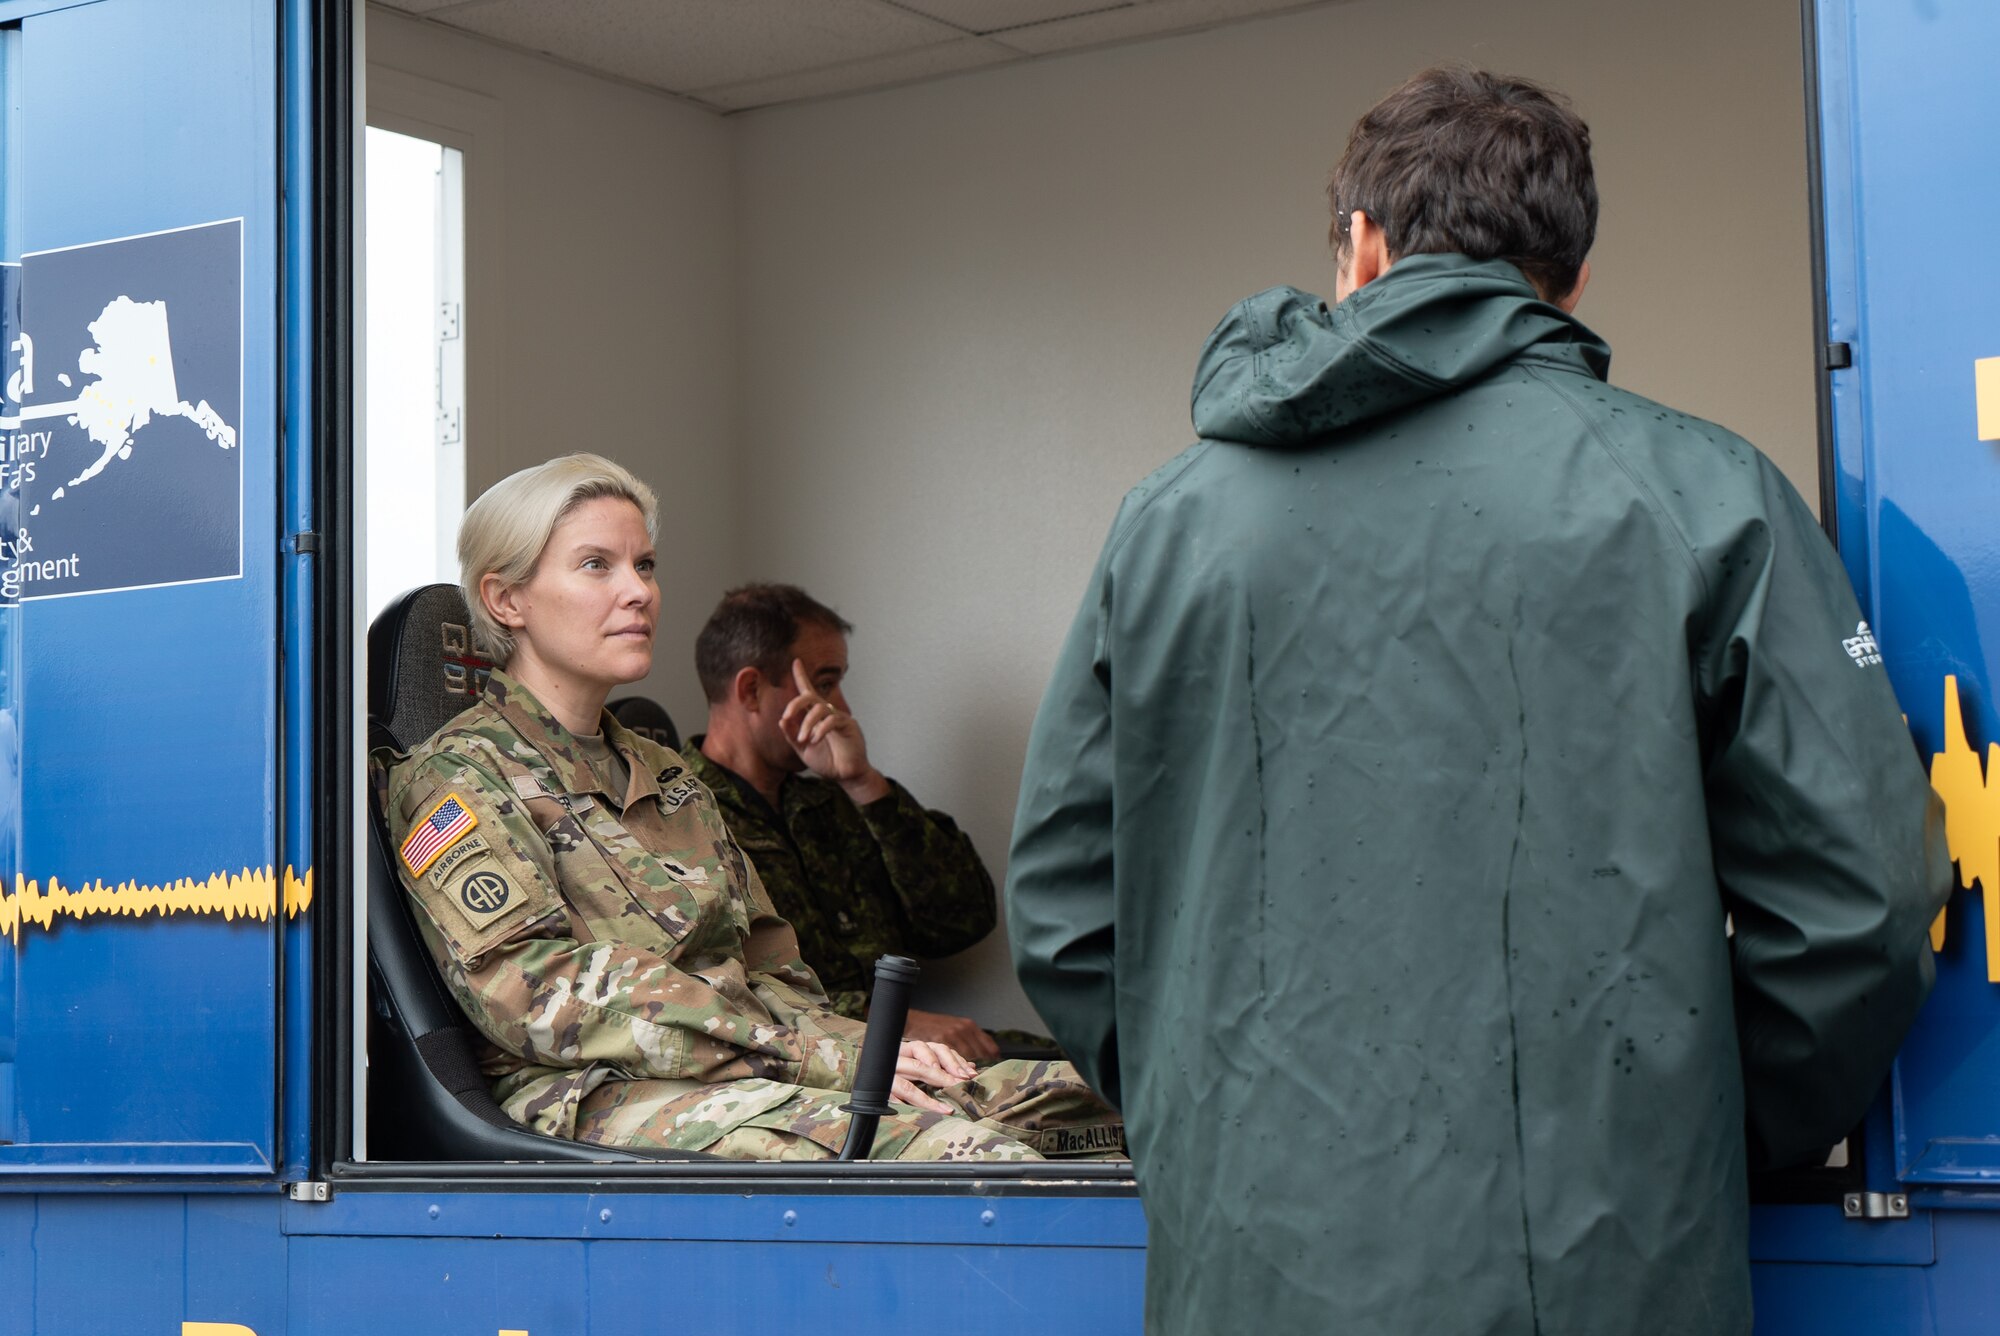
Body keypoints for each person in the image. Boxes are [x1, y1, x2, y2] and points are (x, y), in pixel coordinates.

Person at [1006, 67, 1950, 1335]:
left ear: (1360, 246)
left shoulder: (1165, 525)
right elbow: (1864, 895)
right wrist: (1689, 1129)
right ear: (1567, 276)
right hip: (1603, 1271)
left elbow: (1065, 915)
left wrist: (1211, 1115)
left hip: (1249, 1268)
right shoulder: (1702, 495)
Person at [376, 454, 1121, 1161]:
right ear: (507, 600)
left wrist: (857, 1052)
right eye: (596, 565)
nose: (638, 591)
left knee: (1114, 1103)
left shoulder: (666, 773)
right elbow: (542, 999)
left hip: (758, 1072)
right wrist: (826, 1057)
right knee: (968, 1152)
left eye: (645, 565)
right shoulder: (456, 780)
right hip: (597, 1097)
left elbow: (773, 970)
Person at [687, 584, 1033, 1062]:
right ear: (751, 689)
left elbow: (961, 922)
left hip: (908, 1054)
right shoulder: (679, 816)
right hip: (809, 1069)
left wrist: (864, 784)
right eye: (825, 683)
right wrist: (890, 1020)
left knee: (1103, 1079)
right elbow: (715, 991)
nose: (842, 708)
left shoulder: (831, 804)